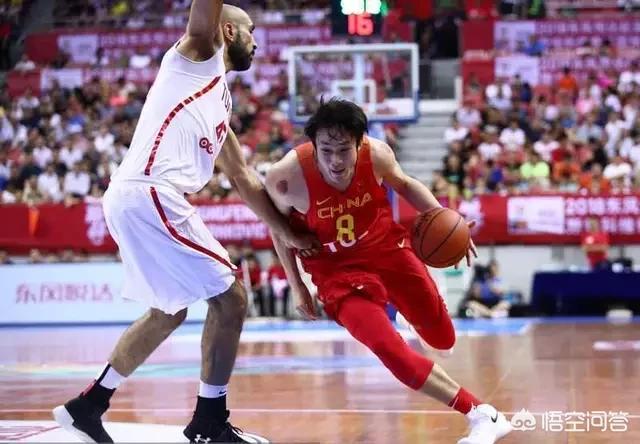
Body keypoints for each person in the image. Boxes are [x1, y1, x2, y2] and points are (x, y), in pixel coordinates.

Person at [52, 3, 313, 443]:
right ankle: (208, 423)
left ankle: (88, 405)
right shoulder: (196, 57)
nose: (257, 41)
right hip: (151, 191)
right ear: (227, 31)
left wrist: (285, 230)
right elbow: (204, 12)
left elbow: (244, 178)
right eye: (250, 30)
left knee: (168, 311)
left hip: (132, 196)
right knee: (231, 298)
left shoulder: (218, 102)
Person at [264, 98, 512, 444]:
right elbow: (277, 230)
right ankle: (483, 414)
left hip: (386, 249)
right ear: (313, 145)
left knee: (444, 340)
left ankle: (411, 316)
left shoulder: (377, 154)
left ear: (360, 143)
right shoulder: (285, 176)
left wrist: (448, 221)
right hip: (335, 271)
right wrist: (298, 285)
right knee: (390, 350)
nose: (335, 161)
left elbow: (406, 184)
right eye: (326, 150)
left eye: (344, 150)